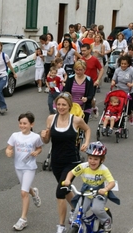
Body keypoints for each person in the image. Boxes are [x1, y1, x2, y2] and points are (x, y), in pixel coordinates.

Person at [40, 92, 91, 233]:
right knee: (65, 188)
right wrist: (43, 136)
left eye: (64, 104)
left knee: (60, 192)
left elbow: (87, 129)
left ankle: (61, 226)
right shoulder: (51, 118)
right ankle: (76, 209)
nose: (61, 107)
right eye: (59, 104)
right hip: (56, 161)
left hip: (72, 161)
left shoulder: (76, 120)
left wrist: (86, 143)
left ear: (70, 106)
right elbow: (46, 140)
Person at [62, 141, 119, 232]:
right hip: (86, 192)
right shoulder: (83, 166)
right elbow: (71, 173)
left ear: (102, 160)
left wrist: (105, 189)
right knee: (78, 211)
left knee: (97, 209)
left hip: (99, 192)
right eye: (90, 158)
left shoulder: (104, 169)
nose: (92, 161)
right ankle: (78, 226)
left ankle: (106, 220)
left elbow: (112, 182)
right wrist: (68, 180)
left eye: (96, 159)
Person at [6, 112, 43, 231]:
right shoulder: (15, 135)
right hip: (18, 166)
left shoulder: (35, 137)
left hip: (30, 167)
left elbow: (39, 148)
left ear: (31, 124)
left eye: (25, 123)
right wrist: (8, 152)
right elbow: (8, 148)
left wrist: (37, 152)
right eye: (21, 123)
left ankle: (23, 219)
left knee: (23, 192)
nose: (22, 125)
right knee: (25, 188)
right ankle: (34, 193)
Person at [111, 55, 133, 124]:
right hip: (119, 92)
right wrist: (113, 83)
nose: (123, 65)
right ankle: (121, 123)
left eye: (125, 64)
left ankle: (130, 115)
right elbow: (113, 79)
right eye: (122, 63)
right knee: (121, 108)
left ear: (128, 64)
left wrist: (131, 84)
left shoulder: (131, 71)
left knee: (129, 109)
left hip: (129, 92)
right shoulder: (117, 70)